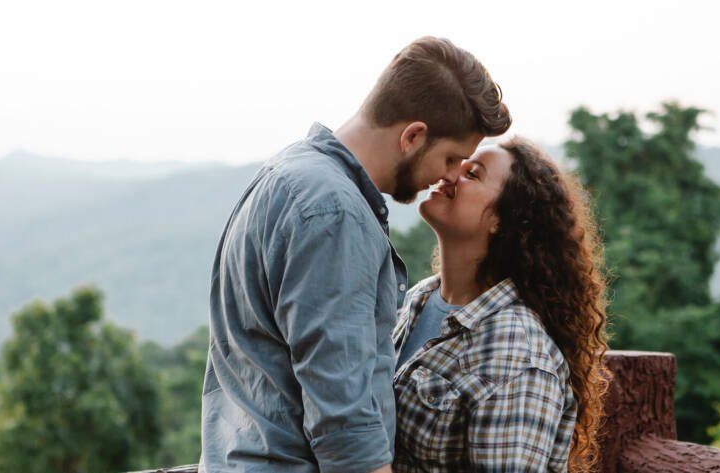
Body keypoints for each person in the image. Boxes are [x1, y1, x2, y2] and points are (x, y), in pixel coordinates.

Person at [199, 37, 511, 473]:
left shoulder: (287, 173)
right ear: (413, 136)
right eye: (451, 157)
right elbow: (343, 413)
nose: (449, 176)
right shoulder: (335, 212)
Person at [392, 138, 609, 472]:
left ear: (503, 221)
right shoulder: (419, 298)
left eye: (472, 174)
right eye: (456, 163)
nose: (449, 174)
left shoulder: (516, 349)